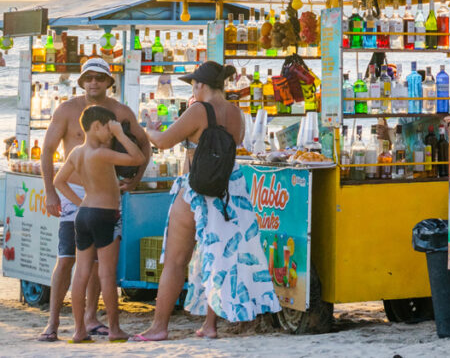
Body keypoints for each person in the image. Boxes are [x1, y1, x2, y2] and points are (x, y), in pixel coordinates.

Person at [134, 61, 279, 341]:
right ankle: (210, 326)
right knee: (217, 258)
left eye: (193, 85)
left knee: (176, 260)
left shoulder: (199, 109)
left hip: (195, 191)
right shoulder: (237, 113)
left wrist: (144, 131)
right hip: (228, 192)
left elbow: (163, 141)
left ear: (199, 85)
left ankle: (159, 327)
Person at [38, 58, 150, 342]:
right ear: (81, 82)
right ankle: (52, 323)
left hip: (100, 200)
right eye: (88, 78)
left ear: (109, 82)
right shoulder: (67, 110)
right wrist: (53, 194)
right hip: (78, 197)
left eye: (99, 78)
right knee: (66, 260)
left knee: (97, 266)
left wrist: (135, 180)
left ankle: (89, 319)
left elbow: (144, 143)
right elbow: (47, 150)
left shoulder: (120, 111)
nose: (93, 83)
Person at [54, 106, 146, 343]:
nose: (111, 133)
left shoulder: (76, 152)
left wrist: (81, 202)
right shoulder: (102, 154)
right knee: (106, 272)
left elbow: (59, 181)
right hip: (105, 214)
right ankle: (114, 329)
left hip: (84, 214)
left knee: (81, 272)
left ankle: (79, 331)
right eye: (108, 128)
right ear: (96, 127)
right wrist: (122, 135)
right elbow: (139, 158)